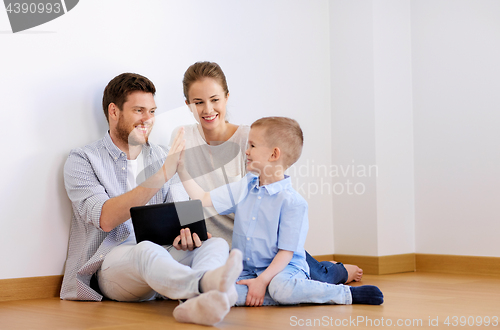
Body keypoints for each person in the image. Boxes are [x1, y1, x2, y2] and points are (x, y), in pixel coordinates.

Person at [60, 72, 243, 326]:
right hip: (111, 268)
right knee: (145, 249)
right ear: (114, 112)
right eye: (139, 110)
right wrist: (163, 174)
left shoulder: (162, 156)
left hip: (162, 263)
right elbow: (106, 218)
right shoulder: (82, 160)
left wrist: (189, 235)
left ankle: (196, 303)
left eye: (152, 111)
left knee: (217, 245)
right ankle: (205, 287)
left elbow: (184, 213)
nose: (148, 119)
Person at [171, 61, 363, 284]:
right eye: (198, 102)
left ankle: (336, 270)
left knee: (315, 276)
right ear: (187, 104)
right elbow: (182, 192)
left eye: (215, 100)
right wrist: (189, 232)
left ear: (226, 97)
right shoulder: (182, 136)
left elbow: (265, 200)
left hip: (262, 244)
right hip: (213, 244)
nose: (208, 109)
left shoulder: (249, 140)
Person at [177, 117, 384, 306]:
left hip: (284, 269)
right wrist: (180, 168)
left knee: (280, 288)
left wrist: (264, 280)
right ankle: (267, 293)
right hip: (247, 269)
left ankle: (344, 294)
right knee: (222, 291)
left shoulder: (293, 203)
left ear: (274, 154)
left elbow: (286, 253)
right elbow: (203, 198)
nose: (246, 151)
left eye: (252, 145)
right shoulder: (244, 187)